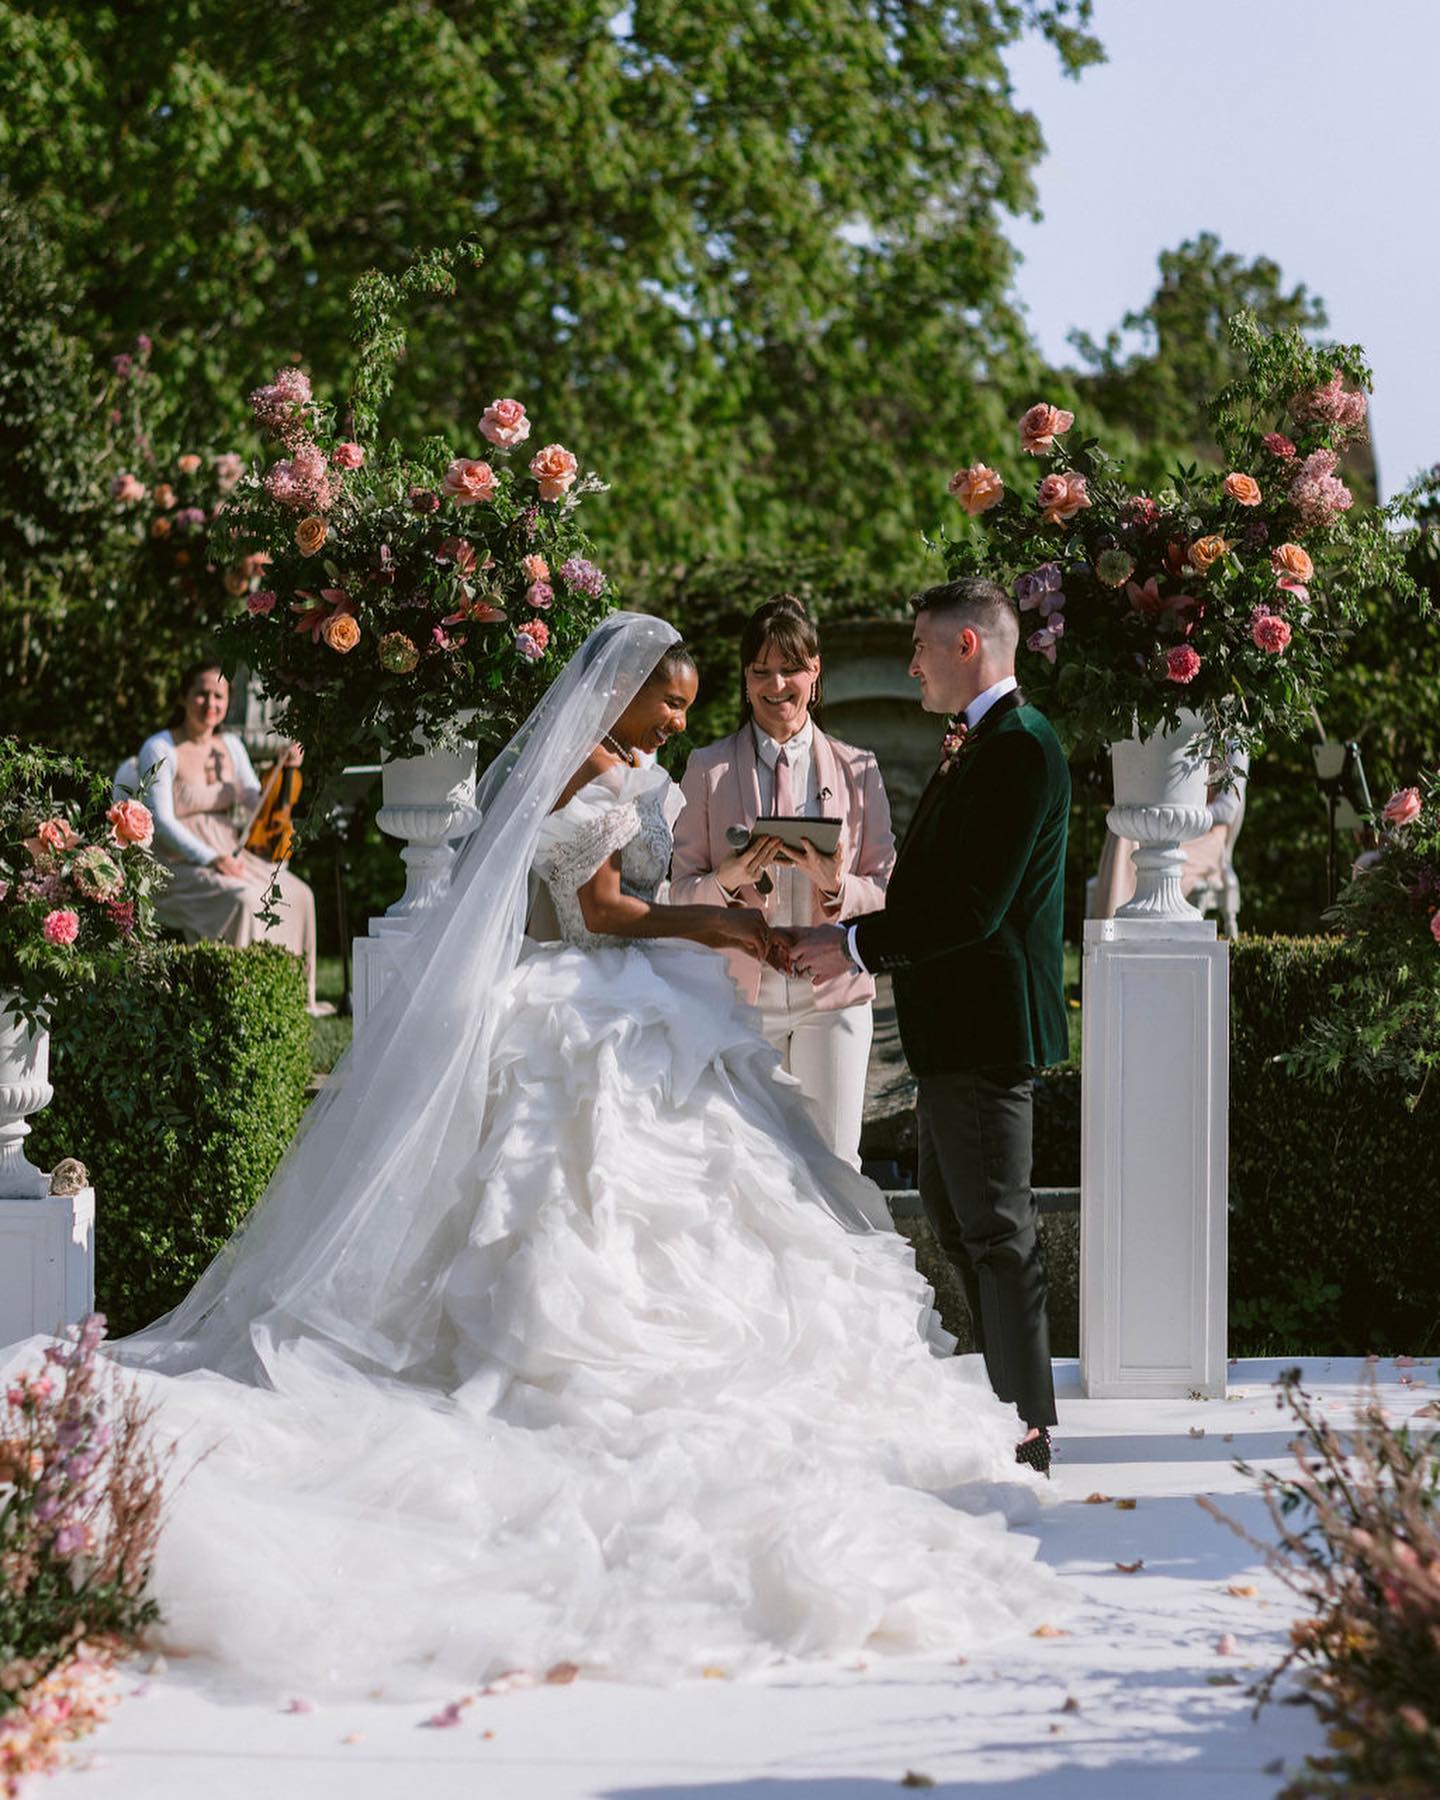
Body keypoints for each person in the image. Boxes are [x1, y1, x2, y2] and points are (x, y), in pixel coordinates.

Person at [9, 614, 1062, 1697]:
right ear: (619, 695)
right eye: (669, 702)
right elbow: (599, 911)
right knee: (570, 1206)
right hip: (591, 1005)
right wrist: (723, 930)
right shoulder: (592, 776)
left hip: (645, 999)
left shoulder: (625, 768)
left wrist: (738, 915)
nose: (677, 722)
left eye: (688, 708)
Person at [779, 579, 1071, 1477]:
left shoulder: (1019, 748)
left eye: (921, 647)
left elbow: (975, 908)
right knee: (956, 1219)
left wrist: (854, 946)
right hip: (957, 1032)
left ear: (968, 648)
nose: (909, 664)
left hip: (987, 1032)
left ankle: (1025, 1432)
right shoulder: (983, 744)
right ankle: (1003, 1414)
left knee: (994, 1230)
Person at [671, 595, 895, 1166]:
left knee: (836, 1162)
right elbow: (677, 896)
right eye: (761, 671)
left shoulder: (859, 768)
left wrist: (835, 885)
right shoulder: (707, 768)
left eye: (791, 668)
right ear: (745, 680)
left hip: (833, 997)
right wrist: (728, 877)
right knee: (750, 1172)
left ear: (815, 671)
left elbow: (888, 889)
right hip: (740, 997)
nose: (776, 685)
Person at [138, 663, 323, 1012]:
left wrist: (284, 771)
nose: (210, 703)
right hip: (178, 863)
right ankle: (241, 999)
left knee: (300, 894)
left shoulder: (232, 745)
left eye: (219, 696)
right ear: (183, 697)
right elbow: (160, 821)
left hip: (230, 851)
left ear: (227, 702)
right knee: (245, 901)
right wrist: (210, 858)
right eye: (202, 693)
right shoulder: (160, 747)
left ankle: (293, 1001)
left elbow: (255, 802)